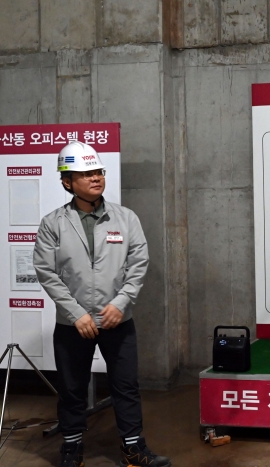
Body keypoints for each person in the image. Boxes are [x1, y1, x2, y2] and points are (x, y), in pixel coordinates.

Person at [33, 142, 170, 467]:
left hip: (117, 321)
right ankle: (71, 447)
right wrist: (76, 313)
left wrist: (121, 302)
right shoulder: (53, 223)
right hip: (72, 324)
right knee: (72, 388)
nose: (95, 178)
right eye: (86, 174)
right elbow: (46, 272)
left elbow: (139, 262)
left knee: (126, 387)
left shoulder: (125, 218)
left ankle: (134, 449)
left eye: (98, 172)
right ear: (67, 182)